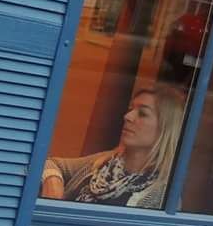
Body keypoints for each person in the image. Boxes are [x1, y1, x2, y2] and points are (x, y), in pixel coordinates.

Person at [40, 86, 185, 209]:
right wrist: (52, 180)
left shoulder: (163, 196)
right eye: (131, 109)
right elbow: (51, 163)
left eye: (142, 113)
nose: (128, 116)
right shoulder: (103, 162)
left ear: (164, 129)